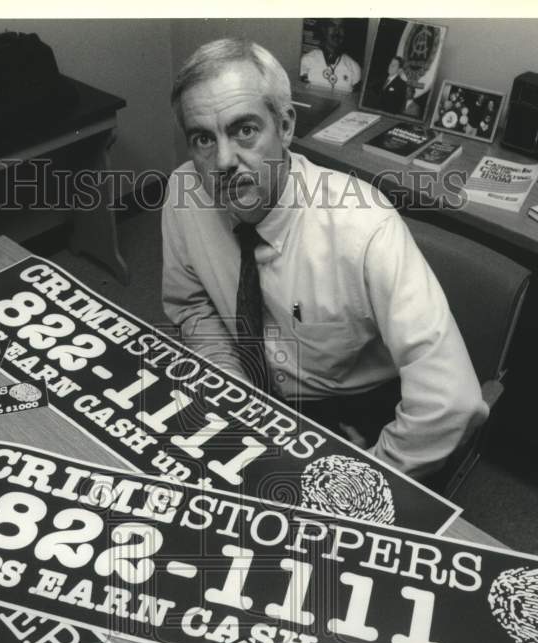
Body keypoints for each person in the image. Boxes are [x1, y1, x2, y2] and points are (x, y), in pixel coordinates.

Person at [161, 38, 486, 478]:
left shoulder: (364, 227)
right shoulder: (184, 193)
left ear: (287, 126)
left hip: (352, 414)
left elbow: (453, 400)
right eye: (202, 138)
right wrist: (230, 381)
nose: (222, 161)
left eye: (245, 130)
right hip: (247, 389)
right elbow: (192, 304)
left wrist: (372, 474)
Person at [298, 18, 362, 93]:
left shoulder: (354, 67)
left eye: (341, 27)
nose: (337, 31)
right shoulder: (307, 61)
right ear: (324, 29)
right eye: (332, 26)